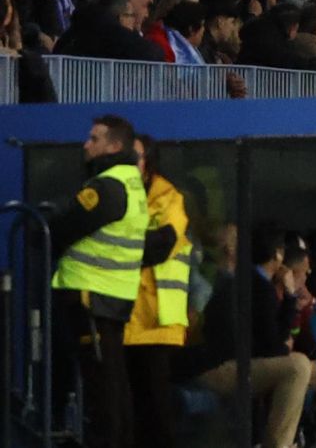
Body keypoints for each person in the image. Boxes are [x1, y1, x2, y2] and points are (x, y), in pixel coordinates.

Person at [48, 116, 165, 448]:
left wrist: (43, 222)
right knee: (113, 386)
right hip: (111, 298)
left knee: (103, 394)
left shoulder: (107, 187)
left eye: (94, 138)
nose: (87, 144)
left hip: (91, 296)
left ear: (114, 146)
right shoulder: (131, 183)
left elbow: (64, 226)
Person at [124, 134, 192, 448]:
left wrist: (117, 245)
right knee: (125, 416)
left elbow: (160, 247)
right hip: (119, 320)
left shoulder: (168, 198)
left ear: (148, 163)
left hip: (157, 324)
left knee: (157, 414)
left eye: (135, 156)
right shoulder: (113, 192)